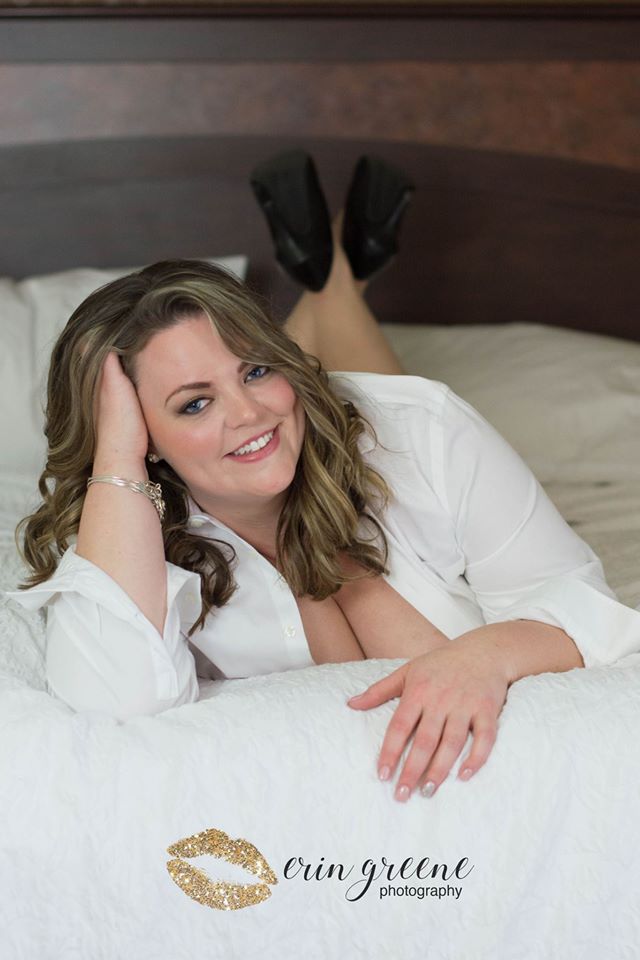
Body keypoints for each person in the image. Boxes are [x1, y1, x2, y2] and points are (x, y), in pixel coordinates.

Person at [6, 152, 640, 808]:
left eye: (256, 368)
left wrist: (487, 655)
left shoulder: (420, 426)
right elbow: (111, 707)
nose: (247, 412)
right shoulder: (119, 521)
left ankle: (330, 283)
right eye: (193, 404)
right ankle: (335, 280)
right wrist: (116, 461)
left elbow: (582, 604)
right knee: (313, 406)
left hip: (352, 421)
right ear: (142, 436)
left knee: (357, 409)